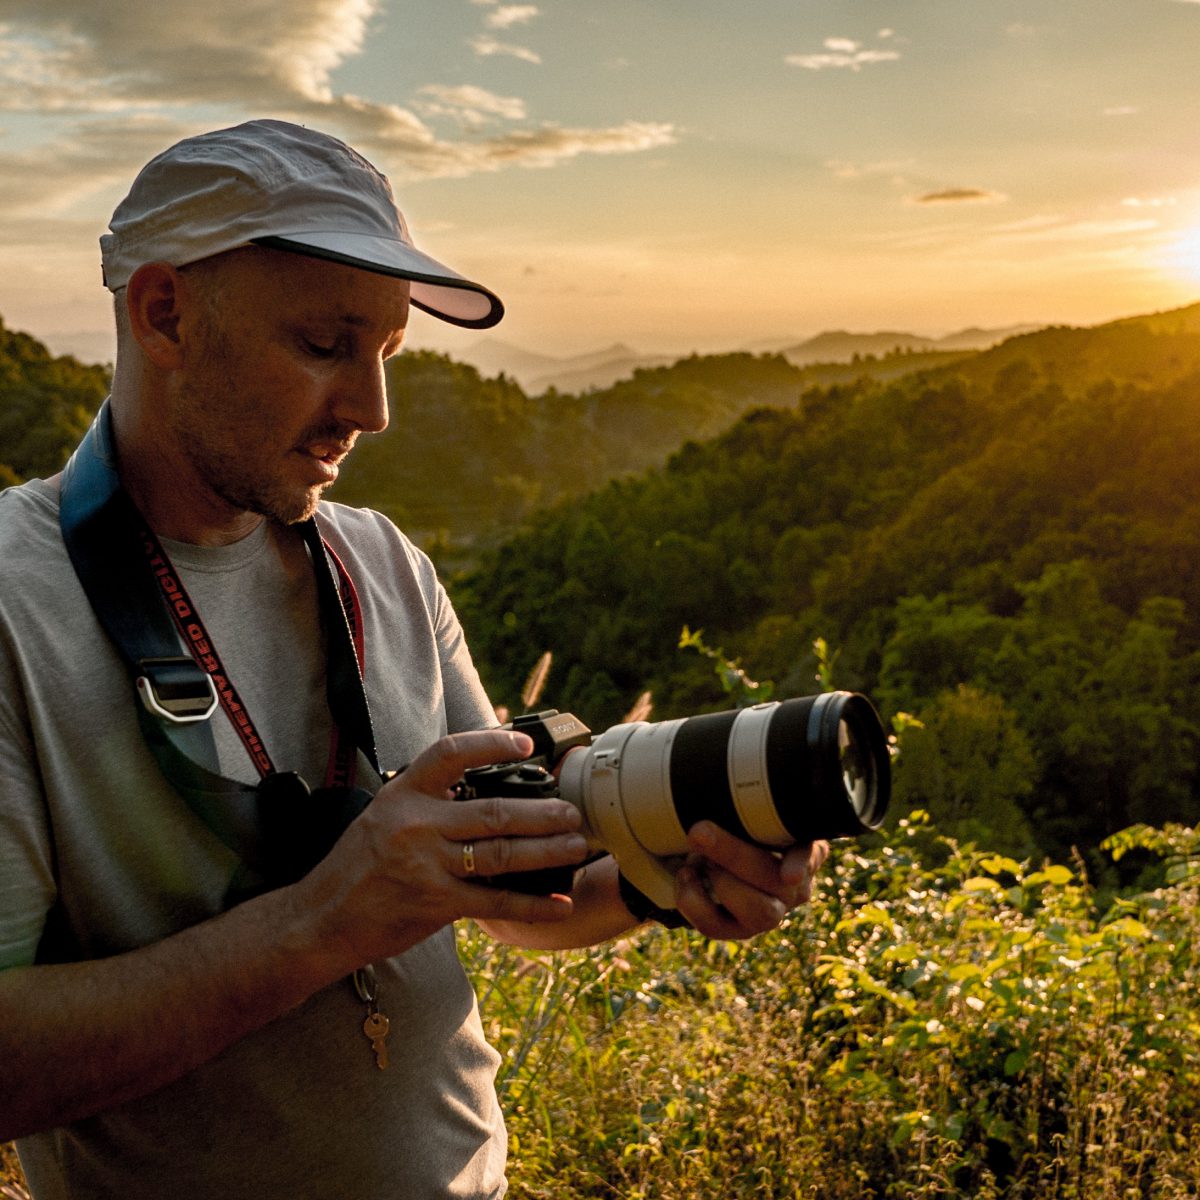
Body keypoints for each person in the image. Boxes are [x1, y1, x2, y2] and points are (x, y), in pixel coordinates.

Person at [0, 119, 826, 1199]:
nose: (372, 412)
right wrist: (322, 923)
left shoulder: (382, 563)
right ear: (164, 313)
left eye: (386, 354)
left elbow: (511, 878)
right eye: (323, 344)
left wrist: (666, 875)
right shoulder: (17, 604)